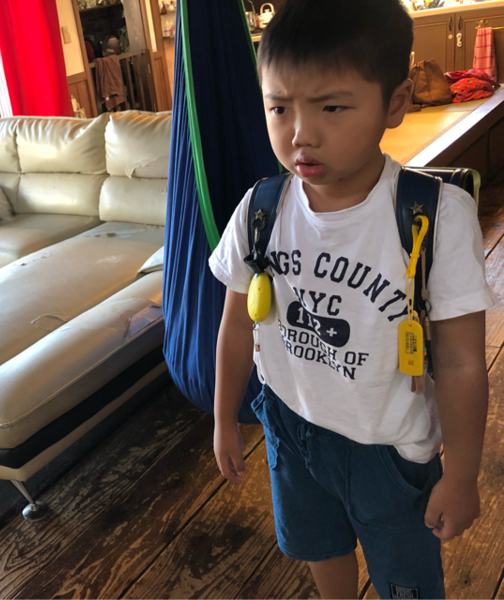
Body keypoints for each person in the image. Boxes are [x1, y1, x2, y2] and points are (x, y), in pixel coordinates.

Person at [208, 1, 496, 599]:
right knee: (318, 545)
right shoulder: (261, 210)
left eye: (332, 107)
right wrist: (223, 418)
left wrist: (463, 474)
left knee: (406, 580)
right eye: (279, 107)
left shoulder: (434, 217)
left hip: (389, 450)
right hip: (290, 425)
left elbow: (464, 361)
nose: (300, 134)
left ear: (395, 103)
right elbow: (237, 324)